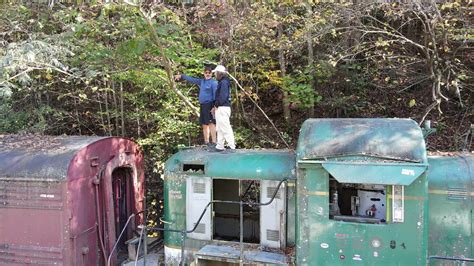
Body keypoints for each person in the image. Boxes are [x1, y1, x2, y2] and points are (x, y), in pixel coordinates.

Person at [174, 66, 217, 147]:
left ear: (212, 74)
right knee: (204, 124)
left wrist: (214, 106)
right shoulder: (202, 81)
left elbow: (215, 95)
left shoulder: (213, 82)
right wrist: (182, 76)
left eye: (209, 73)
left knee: (211, 123)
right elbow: (192, 79)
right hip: (203, 105)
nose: (207, 74)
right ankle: (206, 142)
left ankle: (214, 142)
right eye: (206, 73)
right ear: (204, 73)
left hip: (210, 104)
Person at [211, 65, 236, 152]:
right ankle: (220, 146)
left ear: (219, 73)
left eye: (216, 73)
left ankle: (231, 146)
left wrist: (216, 105)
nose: (215, 75)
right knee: (220, 127)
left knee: (225, 127)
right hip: (221, 107)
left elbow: (223, 97)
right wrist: (216, 106)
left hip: (223, 107)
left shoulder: (224, 82)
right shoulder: (223, 82)